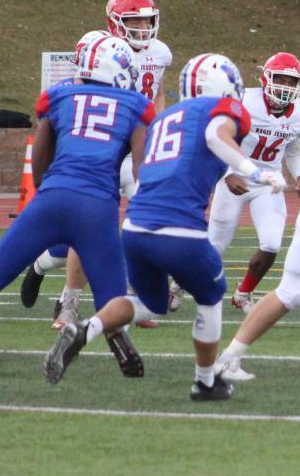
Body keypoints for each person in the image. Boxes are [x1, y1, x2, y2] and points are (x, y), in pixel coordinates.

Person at [45, 53, 285, 399]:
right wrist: (256, 171)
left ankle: (87, 328)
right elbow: (218, 138)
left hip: (137, 226)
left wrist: (229, 172)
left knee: (151, 303)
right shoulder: (220, 111)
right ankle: (205, 381)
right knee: (211, 297)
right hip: (180, 228)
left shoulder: (164, 118)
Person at [0, 34, 152, 374]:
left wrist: (50, 199)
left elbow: (40, 167)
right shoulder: (135, 107)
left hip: (52, 197)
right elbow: (142, 170)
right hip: (98, 206)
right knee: (115, 303)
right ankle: (117, 346)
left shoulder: (58, 97)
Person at [22, 0, 172, 325]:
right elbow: (79, 96)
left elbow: (158, 91)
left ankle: (134, 297)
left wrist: (156, 127)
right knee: (84, 233)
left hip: (136, 148)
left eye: (148, 21)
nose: (143, 29)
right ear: (115, 22)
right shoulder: (98, 48)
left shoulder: (160, 52)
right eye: (134, 21)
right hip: (101, 149)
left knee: (144, 223)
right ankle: (66, 299)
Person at [206, 52, 300, 311]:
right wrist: (225, 174)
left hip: (269, 180)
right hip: (234, 174)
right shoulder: (243, 100)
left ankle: (244, 293)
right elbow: (216, 137)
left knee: (272, 243)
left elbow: (292, 146)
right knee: (215, 246)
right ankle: (178, 285)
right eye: (281, 79)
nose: (286, 87)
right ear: (266, 78)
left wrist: (299, 176)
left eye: (291, 82)